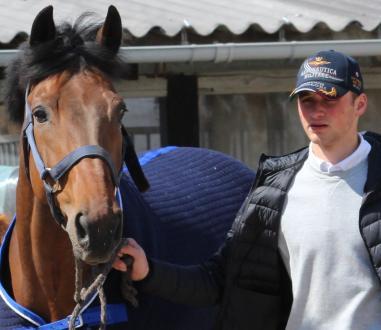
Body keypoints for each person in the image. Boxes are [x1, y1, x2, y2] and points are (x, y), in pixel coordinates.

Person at [113, 50, 381, 330]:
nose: (317, 111)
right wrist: (148, 271)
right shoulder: (274, 189)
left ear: (360, 104)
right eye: (307, 99)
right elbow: (219, 280)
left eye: (330, 98)